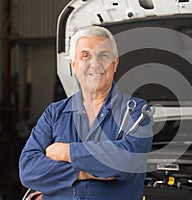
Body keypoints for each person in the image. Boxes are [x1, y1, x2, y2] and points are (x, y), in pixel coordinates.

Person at [19, 25, 153, 200]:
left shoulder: (137, 111)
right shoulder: (54, 113)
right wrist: (84, 172)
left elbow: (127, 161)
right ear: (73, 65)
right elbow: (28, 171)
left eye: (103, 55)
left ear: (115, 63)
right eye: (85, 56)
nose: (94, 64)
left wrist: (67, 153)